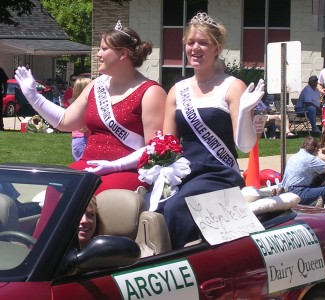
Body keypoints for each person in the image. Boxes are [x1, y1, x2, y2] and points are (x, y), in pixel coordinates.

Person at [145, 12, 264, 249]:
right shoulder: (178, 90)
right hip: (185, 173)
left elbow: (245, 146)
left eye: (203, 43)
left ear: (216, 48)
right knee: (151, 205)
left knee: (177, 208)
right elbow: (168, 145)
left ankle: (176, 266)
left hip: (219, 173)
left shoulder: (233, 87)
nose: (195, 48)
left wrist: (245, 115)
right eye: (191, 43)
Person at [14, 20, 167, 194]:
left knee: (99, 196)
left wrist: (115, 166)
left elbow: (155, 149)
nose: (98, 54)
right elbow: (65, 121)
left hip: (128, 170)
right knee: (55, 189)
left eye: (104, 49)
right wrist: (33, 97)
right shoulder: (96, 85)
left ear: (123, 53)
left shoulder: (151, 92)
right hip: (89, 165)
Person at [281, 136, 325, 205]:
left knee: (322, 188)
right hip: (298, 193)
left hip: (286, 191)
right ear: (316, 149)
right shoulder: (311, 159)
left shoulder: (294, 156)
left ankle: (314, 204)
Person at [70, 76, 92, 161]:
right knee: (84, 167)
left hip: (79, 139)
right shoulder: (84, 106)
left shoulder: (76, 104)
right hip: (83, 139)